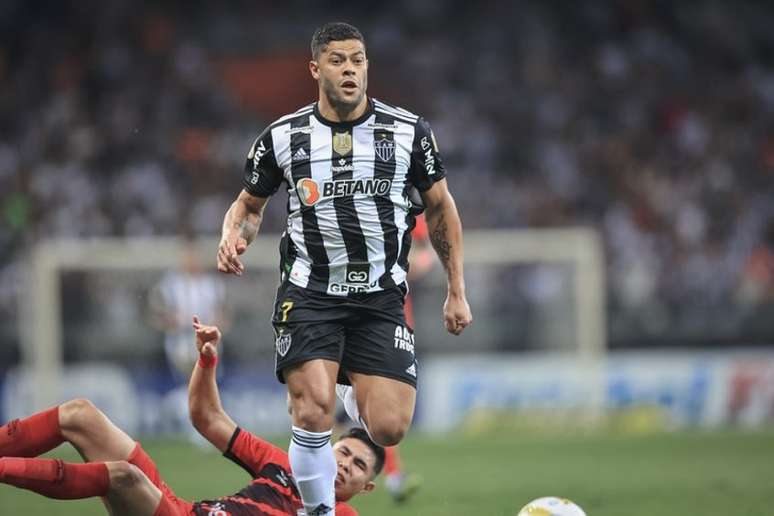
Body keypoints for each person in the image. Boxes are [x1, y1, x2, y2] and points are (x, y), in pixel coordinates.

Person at [217, 21, 472, 514]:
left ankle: (347, 377)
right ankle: (320, 510)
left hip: (379, 298)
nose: (350, 69)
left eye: (358, 59)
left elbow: (441, 208)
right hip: (310, 293)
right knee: (312, 410)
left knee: (390, 427)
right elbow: (248, 205)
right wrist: (233, 235)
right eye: (338, 60)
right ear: (316, 69)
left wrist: (455, 290)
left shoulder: (408, 132)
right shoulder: (283, 137)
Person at [0, 317, 383, 516]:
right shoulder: (280, 464)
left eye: (359, 466)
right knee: (80, 414)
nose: (346, 465)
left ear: (366, 486)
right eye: (344, 453)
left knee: (124, 476)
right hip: (182, 510)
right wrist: (206, 361)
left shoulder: (341, 513)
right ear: (328, 448)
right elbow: (207, 419)